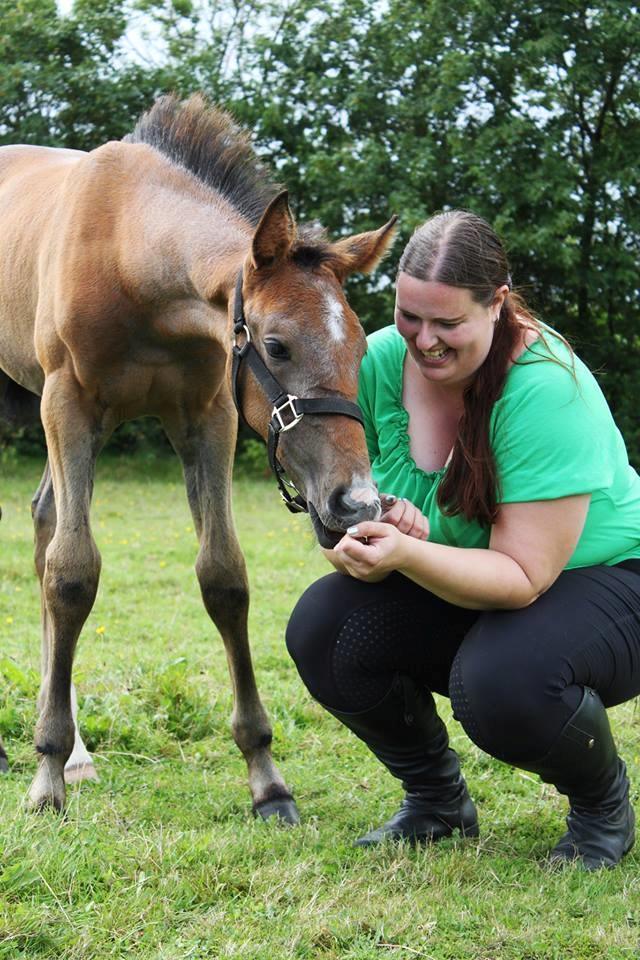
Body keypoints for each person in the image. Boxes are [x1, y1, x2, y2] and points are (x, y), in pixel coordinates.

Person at [285, 210, 640, 871]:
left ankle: (602, 808)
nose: (424, 340)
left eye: (448, 323)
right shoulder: (379, 362)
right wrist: (361, 534)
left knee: (501, 682)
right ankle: (437, 803)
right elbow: (344, 492)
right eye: (410, 315)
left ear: (498, 302)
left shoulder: (546, 390)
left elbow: (522, 576)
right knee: (323, 627)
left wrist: (411, 553)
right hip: (479, 577)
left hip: (610, 583)